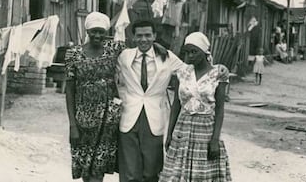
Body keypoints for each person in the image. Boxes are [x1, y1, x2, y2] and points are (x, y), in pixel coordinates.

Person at [116, 21, 229, 182]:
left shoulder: (167, 57)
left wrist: (220, 68)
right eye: (139, 35)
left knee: (151, 170)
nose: (143, 39)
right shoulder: (124, 56)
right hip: (128, 116)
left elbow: (193, 69)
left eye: (148, 35)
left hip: (155, 117)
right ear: (133, 37)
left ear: (154, 36)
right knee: (129, 172)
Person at [159, 32, 232, 182]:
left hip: (205, 129)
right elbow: (176, 105)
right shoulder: (182, 73)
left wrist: (215, 140)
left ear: (205, 53)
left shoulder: (218, 74)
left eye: (194, 52)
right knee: (177, 172)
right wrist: (169, 133)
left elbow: (219, 110)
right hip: (183, 128)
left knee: (202, 173)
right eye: (187, 52)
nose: (190, 56)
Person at [65, 12, 125, 182]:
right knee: (86, 167)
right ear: (87, 31)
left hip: (109, 117)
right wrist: (72, 125)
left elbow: (140, 48)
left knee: (99, 167)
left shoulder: (115, 49)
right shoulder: (73, 54)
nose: (97, 35)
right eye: (94, 31)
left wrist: (158, 47)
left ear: (106, 32)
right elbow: (69, 90)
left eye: (101, 31)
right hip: (83, 117)